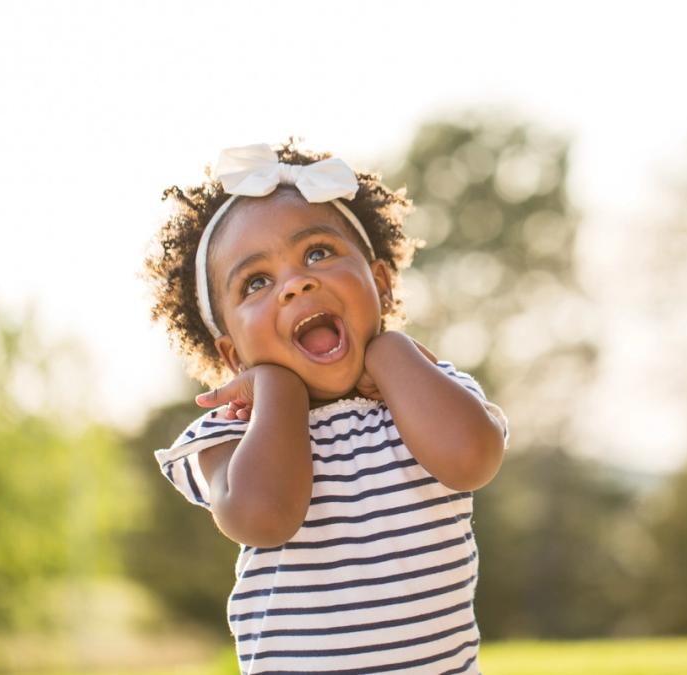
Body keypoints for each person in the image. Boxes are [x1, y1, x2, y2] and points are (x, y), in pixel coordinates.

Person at [143, 139, 509, 674]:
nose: (297, 283)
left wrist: (392, 349)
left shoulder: (425, 391)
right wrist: (279, 393)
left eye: (317, 253)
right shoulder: (229, 435)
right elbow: (264, 517)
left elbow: (473, 459)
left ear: (380, 287)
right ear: (232, 354)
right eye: (257, 282)